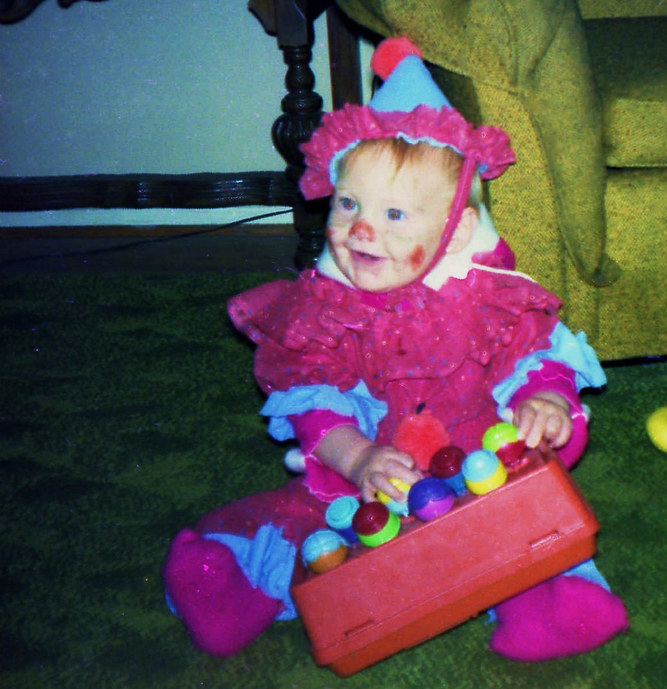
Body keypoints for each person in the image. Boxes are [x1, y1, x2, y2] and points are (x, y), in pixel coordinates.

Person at [162, 37, 628, 662]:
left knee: (525, 522)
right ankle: (234, 589)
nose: (360, 228)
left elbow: (533, 353)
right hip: (370, 479)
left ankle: (545, 603)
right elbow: (313, 401)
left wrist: (544, 398)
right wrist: (357, 458)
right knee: (309, 525)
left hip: (480, 470)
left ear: (455, 232)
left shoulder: (490, 301)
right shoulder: (325, 311)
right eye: (349, 203)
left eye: (395, 215)